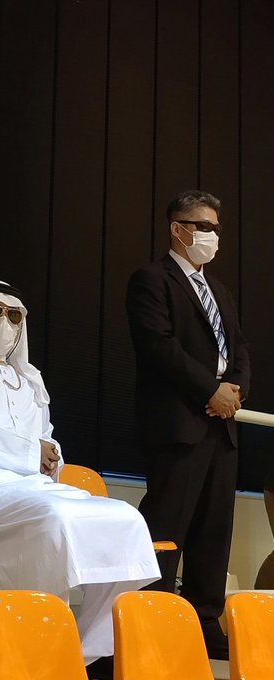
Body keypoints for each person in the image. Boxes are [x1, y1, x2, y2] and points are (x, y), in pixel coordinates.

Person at [0, 280, 160, 680]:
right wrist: (33, 452)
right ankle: (37, 645)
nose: (4, 323)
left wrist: (50, 455)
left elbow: (46, 436)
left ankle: (84, 651)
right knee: (56, 519)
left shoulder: (28, 377)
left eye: (14, 316)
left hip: (34, 487)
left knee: (127, 519)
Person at [126, 190, 250, 660]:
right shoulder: (151, 280)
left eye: (217, 228)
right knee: (168, 524)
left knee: (214, 528)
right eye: (204, 227)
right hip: (178, 421)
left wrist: (235, 390)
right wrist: (209, 390)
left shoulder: (219, 289)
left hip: (221, 424)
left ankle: (204, 620)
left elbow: (239, 348)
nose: (213, 235)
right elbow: (159, 346)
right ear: (178, 229)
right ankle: (154, 619)